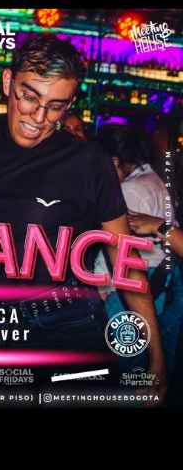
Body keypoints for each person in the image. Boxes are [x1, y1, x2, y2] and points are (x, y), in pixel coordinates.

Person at [0, 35, 167, 396]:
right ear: (8, 82)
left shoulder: (87, 161)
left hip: (64, 324)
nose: (39, 117)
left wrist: (156, 356)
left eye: (56, 107)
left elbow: (125, 261)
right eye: (29, 97)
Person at [95, 124, 181, 376]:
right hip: (159, 282)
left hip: (132, 288)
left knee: (122, 365)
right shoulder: (152, 177)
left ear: (113, 161)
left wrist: (102, 290)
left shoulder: (129, 189)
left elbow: (117, 251)